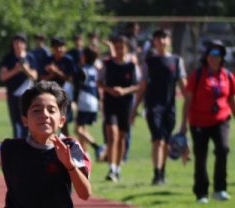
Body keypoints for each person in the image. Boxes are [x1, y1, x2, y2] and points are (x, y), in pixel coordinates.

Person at [179, 40, 233, 204]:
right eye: (211, 54)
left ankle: (219, 189)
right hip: (199, 122)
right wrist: (183, 124)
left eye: (218, 54)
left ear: (222, 57)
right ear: (206, 56)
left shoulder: (227, 76)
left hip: (221, 119)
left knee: (223, 149)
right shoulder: (198, 75)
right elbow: (188, 100)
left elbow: (231, 99)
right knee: (201, 156)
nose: (214, 58)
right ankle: (201, 193)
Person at [141, 29, 187, 185]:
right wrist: (134, 109)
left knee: (166, 141)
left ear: (169, 40)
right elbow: (142, 86)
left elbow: (184, 86)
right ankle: (157, 174)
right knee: (158, 139)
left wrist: (190, 101)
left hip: (170, 107)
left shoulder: (177, 61)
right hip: (153, 107)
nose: (161, 41)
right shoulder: (149, 62)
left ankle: (162, 171)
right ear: (154, 41)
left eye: (164, 37)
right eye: (158, 38)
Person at [100, 35, 140, 181]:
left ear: (126, 48)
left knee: (122, 137)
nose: (119, 50)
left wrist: (124, 91)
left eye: (121, 47)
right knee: (112, 135)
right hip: (110, 103)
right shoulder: (108, 64)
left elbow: (137, 85)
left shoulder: (132, 66)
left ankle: (118, 168)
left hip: (125, 104)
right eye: (116, 47)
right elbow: (99, 82)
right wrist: (110, 90)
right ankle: (111, 168)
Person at [0, 34, 37, 139]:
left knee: (28, 121)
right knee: (16, 123)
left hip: (28, 95)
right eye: (16, 42)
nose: (18, 45)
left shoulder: (30, 57)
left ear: (25, 44)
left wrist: (26, 69)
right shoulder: (8, 58)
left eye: (21, 42)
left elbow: (34, 76)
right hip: (13, 95)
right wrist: (15, 70)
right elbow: (3, 76)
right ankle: (18, 143)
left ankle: (29, 143)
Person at [73, 47, 104, 160]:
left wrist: (75, 101)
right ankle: (84, 153)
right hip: (93, 100)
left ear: (85, 57)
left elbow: (77, 87)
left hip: (84, 100)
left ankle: (97, 147)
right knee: (83, 128)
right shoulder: (94, 70)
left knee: (77, 129)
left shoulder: (81, 70)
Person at [40, 38, 77, 122]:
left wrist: (56, 71)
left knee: (63, 120)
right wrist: (51, 74)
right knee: (50, 118)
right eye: (56, 47)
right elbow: (42, 78)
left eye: (61, 46)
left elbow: (70, 79)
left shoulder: (68, 60)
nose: (59, 49)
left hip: (64, 94)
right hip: (50, 94)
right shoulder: (48, 60)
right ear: (52, 48)